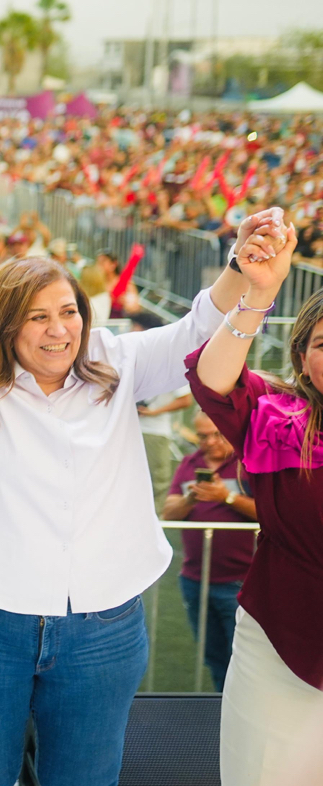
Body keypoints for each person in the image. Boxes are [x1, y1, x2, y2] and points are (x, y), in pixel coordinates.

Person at [0, 189, 279, 786]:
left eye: (68, 311)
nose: (57, 329)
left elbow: (198, 328)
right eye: (36, 316)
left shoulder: (116, 364)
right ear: (5, 323)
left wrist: (239, 266)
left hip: (102, 633)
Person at [185, 223, 323, 785]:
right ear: (302, 354)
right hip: (280, 642)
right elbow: (214, 380)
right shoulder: (278, 415)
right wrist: (258, 295)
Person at [159, 412, 257, 692]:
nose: (210, 442)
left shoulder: (248, 461)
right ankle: (219, 710)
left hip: (242, 581)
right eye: (203, 436)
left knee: (246, 660)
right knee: (214, 657)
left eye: (217, 433)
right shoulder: (190, 463)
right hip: (196, 579)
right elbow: (169, 512)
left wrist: (225, 496)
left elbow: (270, 513)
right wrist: (192, 496)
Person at [131, 309, 195, 501]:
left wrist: (154, 412)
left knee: (157, 484)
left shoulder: (171, 361)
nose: (130, 331)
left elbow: (185, 400)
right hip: (133, 429)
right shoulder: (133, 358)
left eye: (135, 327)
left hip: (155, 431)